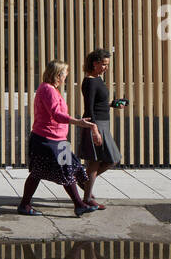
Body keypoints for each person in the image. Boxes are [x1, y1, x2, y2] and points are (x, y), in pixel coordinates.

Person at [17, 60, 101, 217]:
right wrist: (78, 122)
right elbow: (56, 114)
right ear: (57, 75)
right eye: (65, 74)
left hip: (54, 139)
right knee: (63, 168)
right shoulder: (47, 90)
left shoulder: (50, 89)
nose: (65, 77)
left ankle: (25, 205)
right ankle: (79, 204)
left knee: (47, 171)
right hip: (47, 140)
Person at [77, 48, 124, 209]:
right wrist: (94, 130)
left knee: (105, 160)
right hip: (96, 124)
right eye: (104, 64)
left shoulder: (97, 79)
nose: (106, 68)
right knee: (99, 161)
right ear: (95, 63)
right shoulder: (90, 81)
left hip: (103, 123)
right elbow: (89, 108)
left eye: (107, 64)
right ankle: (87, 197)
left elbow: (99, 103)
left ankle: (85, 185)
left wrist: (113, 104)